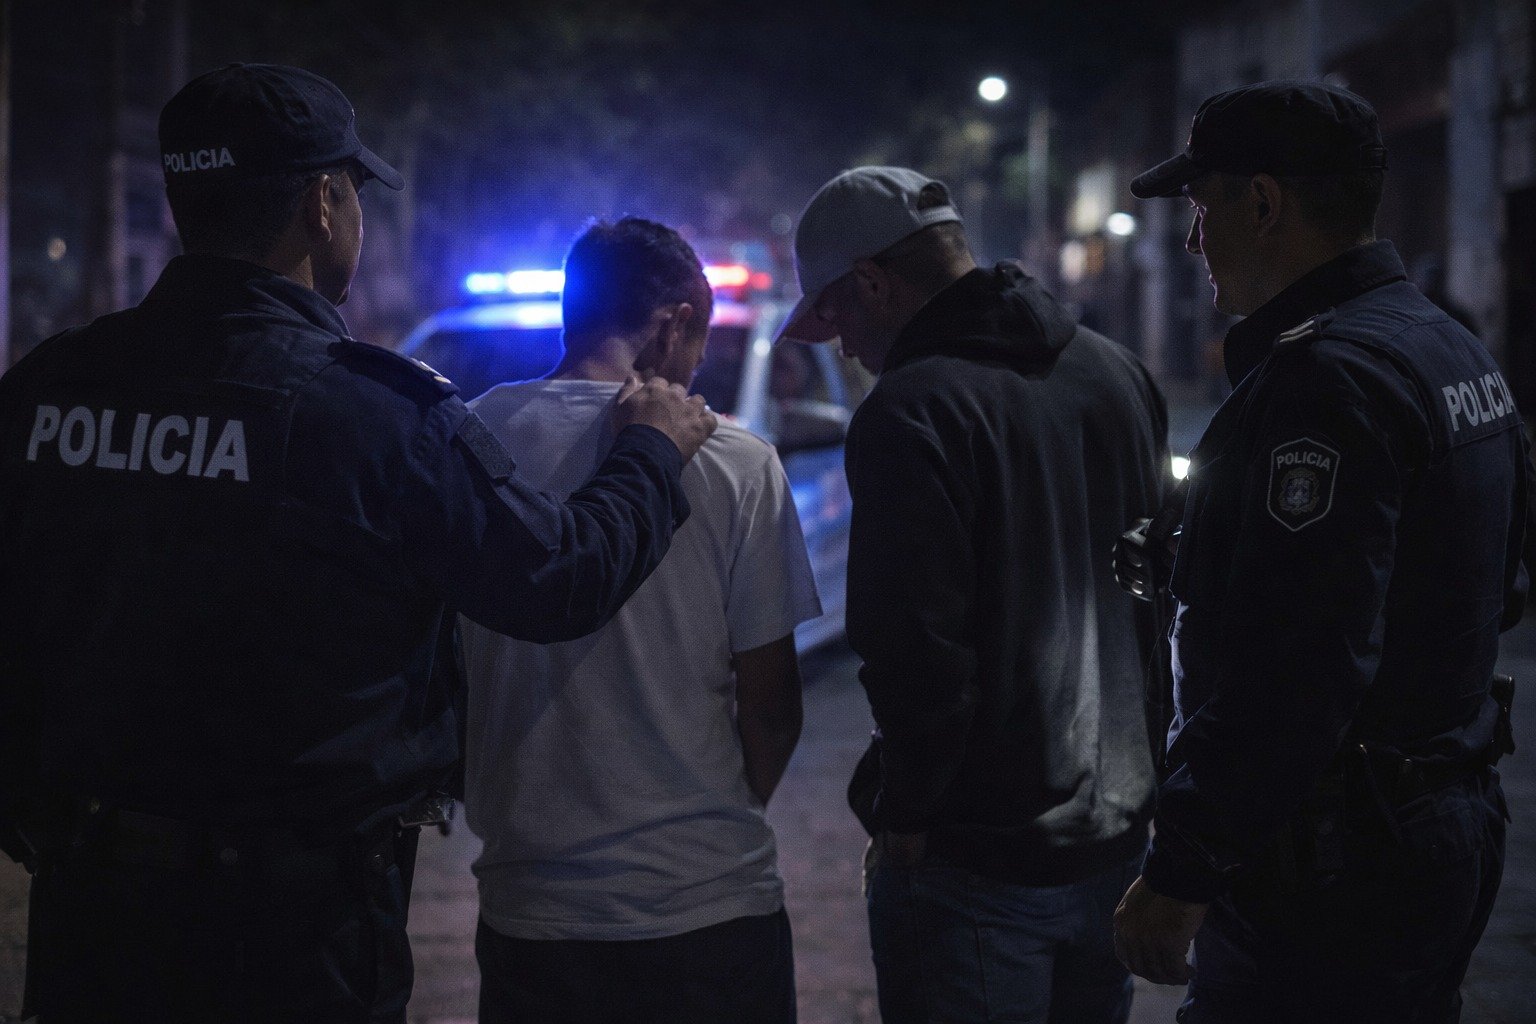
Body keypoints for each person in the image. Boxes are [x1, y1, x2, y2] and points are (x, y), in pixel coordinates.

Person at [0, 64, 714, 1024]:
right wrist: (652, 453)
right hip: (291, 935)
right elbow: (558, 576)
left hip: (90, 912)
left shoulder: (50, 386)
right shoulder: (372, 414)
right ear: (323, 204)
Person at [1113, 81, 1521, 1023]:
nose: (1193, 242)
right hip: (1436, 817)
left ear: (1263, 204)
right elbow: (1495, 585)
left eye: (1202, 209)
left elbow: (1297, 661)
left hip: (1336, 864)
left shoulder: (1326, 381)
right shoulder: (1447, 347)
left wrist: (1184, 867)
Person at [778, 166, 1169, 1024]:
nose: (841, 345)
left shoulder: (910, 410)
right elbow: (1160, 603)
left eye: (835, 315)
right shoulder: (1118, 373)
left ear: (873, 282)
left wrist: (906, 816)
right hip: (1113, 838)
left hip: (977, 863)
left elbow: (916, 647)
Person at [463, 217, 821, 1024]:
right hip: (709, 905)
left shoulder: (468, 442)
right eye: (701, 347)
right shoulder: (737, 461)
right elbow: (771, 705)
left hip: (532, 908)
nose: (697, 372)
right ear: (673, 325)